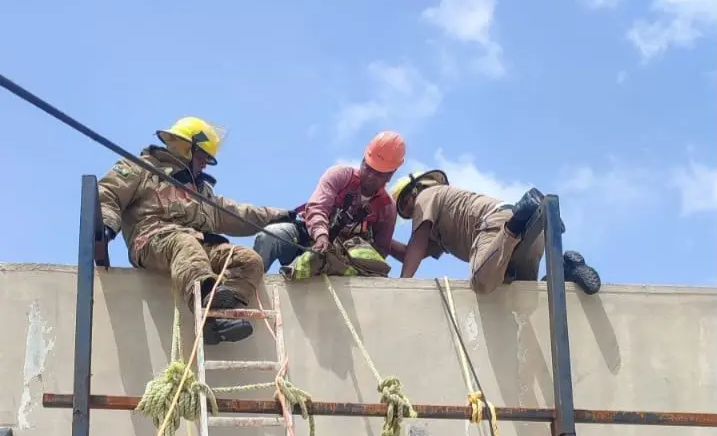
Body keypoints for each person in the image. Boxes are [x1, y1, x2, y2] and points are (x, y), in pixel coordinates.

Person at [98, 116, 294, 344]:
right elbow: (109, 192)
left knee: (248, 260)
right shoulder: (141, 168)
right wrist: (106, 224)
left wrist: (279, 215)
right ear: (185, 148)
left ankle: (219, 320)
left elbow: (238, 213)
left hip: (197, 245)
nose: (205, 164)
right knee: (185, 243)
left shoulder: (201, 193)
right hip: (152, 239)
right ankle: (208, 312)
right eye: (202, 157)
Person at [389, 170, 601, 295]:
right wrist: (381, 242)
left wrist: (402, 288)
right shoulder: (439, 226)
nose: (409, 213)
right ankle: (563, 272)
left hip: (502, 224)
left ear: (415, 190)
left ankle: (520, 217)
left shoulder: (428, 196)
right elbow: (413, 254)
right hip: (521, 237)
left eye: (405, 204)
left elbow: (416, 243)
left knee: (481, 283)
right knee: (522, 297)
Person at [253, 131, 406, 271]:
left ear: (391, 174)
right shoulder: (340, 176)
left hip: (341, 260)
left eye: (379, 174)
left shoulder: (386, 209)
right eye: (368, 168)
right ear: (362, 160)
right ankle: (249, 289)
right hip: (305, 237)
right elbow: (317, 207)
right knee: (269, 236)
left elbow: (380, 250)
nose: (371, 176)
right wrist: (321, 236)